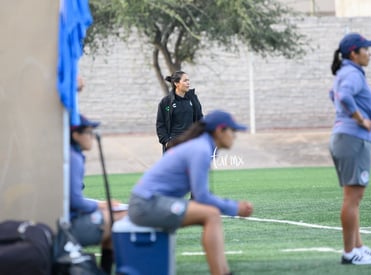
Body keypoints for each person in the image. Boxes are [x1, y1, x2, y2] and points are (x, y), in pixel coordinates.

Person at [129, 110, 253, 275]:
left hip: (148, 201)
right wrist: (234, 208)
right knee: (212, 214)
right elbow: (201, 196)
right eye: (233, 131)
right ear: (219, 130)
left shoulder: (201, 146)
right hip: (146, 204)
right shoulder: (201, 149)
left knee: (212, 213)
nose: (235, 136)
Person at [329, 33, 371, 265]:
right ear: (354, 53)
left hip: (345, 137)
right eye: (366, 49)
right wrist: (360, 119)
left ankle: (358, 247)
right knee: (353, 198)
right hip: (352, 138)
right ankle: (350, 253)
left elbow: (334, 94)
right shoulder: (352, 73)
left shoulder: (346, 72)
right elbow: (343, 96)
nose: (369, 53)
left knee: (353, 197)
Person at [70, 114, 127, 274]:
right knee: (122, 216)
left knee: (114, 213)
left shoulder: (71, 155)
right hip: (68, 225)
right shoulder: (73, 158)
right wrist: (101, 205)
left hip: (66, 218)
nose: (92, 137)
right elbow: (75, 201)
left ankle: (105, 269)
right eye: (88, 133)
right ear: (75, 135)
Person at [156, 71, 203, 152]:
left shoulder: (193, 99)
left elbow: (200, 119)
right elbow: (160, 124)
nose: (188, 83)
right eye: (185, 81)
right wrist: (166, 142)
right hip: (174, 144)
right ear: (176, 83)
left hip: (191, 142)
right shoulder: (166, 102)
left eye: (188, 80)